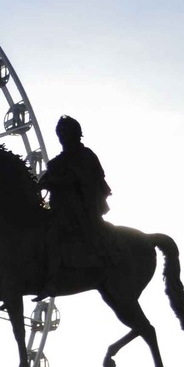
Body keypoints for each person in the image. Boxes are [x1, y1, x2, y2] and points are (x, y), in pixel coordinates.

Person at [37, 115, 112, 297]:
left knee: (53, 235)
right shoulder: (57, 161)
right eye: (60, 134)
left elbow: (85, 179)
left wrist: (55, 182)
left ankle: (53, 281)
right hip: (58, 207)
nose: (62, 137)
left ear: (75, 134)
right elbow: (47, 178)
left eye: (65, 133)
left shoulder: (86, 156)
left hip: (78, 208)